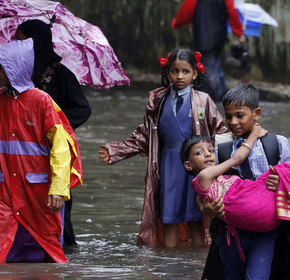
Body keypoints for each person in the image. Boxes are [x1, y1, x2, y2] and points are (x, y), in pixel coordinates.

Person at [196, 84, 290, 280]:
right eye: (228, 117)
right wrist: (206, 208)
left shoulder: (277, 144)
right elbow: (205, 188)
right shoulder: (221, 148)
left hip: (272, 225)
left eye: (240, 115)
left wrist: (283, 184)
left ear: (257, 113)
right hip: (235, 229)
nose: (233, 122)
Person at [98, 48, 230, 248]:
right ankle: (168, 265)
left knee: (198, 218)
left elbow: (221, 133)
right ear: (167, 73)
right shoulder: (157, 101)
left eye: (185, 71)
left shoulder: (203, 101)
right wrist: (117, 150)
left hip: (198, 168)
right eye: (174, 71)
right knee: (169, 218)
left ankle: (198, 264)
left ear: (195, 73)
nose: (179, 76)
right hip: (167, 166)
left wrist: (229, 161)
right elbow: (145, 135)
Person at [0, 38, 83, 264]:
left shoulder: (41, 101)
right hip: (5, 188)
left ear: (14, 68)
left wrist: (58, 189)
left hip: (38, 191)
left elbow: (61, 148)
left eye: (0, 66)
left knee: (46, 247)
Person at [15, 19, 92, 247]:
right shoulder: (19, 73)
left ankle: (63, 248)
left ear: (35, 42)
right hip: (26, 150)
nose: (17, 45)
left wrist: (51, 124)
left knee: (59, 203)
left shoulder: (61, 74)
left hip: (54, 148)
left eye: (21, 40)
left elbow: (83, 109)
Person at [171, 0, 245, 102]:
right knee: (213, 63)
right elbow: (232, 12)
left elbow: (185, 12)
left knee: (209, 66)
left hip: (203, 36)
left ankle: (216, 98)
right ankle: (216, 94)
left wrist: (176, 23)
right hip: (220, 36)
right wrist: (238, 32)